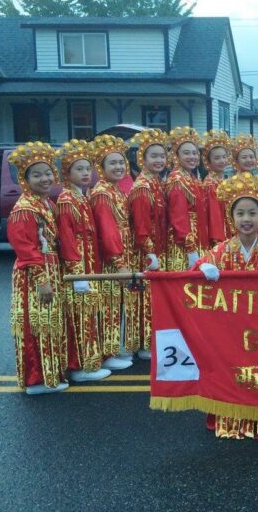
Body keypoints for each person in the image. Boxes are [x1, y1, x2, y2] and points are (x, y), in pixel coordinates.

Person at [193, 173, 258, 440]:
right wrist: (204, 268)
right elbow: (192, 274)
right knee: (234, 370)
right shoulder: (220, 252)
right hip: (232, 327)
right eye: (240, 213)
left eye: (252, 213)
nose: (246, 219)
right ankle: (232, 416)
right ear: (231, 217)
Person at [6, 142, 69, 394]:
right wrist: (42, 281)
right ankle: (37, 380)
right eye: (36, 174)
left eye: (47, 173)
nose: (44, 179)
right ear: (25, 179)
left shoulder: (46, 203)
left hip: (50, 269)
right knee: (39, 324)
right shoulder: (25, 209)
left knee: (50, 324)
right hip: (35, 275)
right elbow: (27, 250)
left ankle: (50, 375)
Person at [55, 139, 110, 382]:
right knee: (81, 315)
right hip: (80, 268)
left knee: (89, 313)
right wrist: (77, 275)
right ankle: (81, 367)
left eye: (88, 169)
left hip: (89, 264)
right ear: (67, 173)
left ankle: (88, 363)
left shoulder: (81, 197)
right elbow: (67, 240)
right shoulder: (67, 200)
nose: (86, 173)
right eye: (79, 169)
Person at [89, 134, 137, 369]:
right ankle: (108, 353)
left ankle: (116, 348)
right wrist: (119, 263)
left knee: (118, 304)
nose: (118, 167)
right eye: (112, 163)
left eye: (121, 163)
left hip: (123, 254)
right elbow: (107, 232)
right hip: (112, 260)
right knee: (109, 304)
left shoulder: (116, 190)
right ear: (101, 167)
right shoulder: (102, 193)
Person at [128, 129, 169, 361]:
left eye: (162, 156)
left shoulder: (156, 183)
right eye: (153, 156)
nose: (159, 160)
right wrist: (149, 251)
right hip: (147, 253)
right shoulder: (143, 187)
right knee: (145, 299)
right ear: (142, 159)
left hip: (158, 248)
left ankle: (151, 341)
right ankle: (145, 344)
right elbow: (142, 226)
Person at [165, 126, 208, 271]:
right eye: (186, 153)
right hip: (186, 242)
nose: (192, 157)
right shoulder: (177, 180)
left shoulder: (191, 176)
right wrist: (190, 248)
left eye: (195, 153)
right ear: (176, 156)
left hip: (198, 235)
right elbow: (179, 216)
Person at [202, 129, 233, 247]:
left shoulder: (222, 180)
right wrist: (218, 239)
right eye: (217, 158)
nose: (222, 161)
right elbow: (214, 215)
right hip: (220, 234)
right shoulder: (210, 184)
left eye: (224, 157)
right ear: (208, 161)